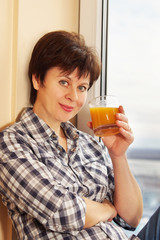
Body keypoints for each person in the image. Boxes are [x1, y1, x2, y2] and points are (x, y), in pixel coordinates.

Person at [0, 30, 159, 240]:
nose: (73, 97)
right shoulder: (12, 143)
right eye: (64, 82)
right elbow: (61, 212)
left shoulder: (91, 144)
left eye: (82, 87)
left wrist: (118, 155)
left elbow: (131, 218)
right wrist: (107, 210)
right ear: (38, 80)